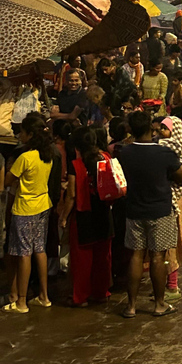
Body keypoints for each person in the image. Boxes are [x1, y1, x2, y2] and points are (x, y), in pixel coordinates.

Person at [118, 111, 182, 318]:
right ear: (151, 128)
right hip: (160, 210)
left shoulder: (125, 152)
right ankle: (159, 304)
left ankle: (130, 306)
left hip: (134, 209)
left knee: (136, 255)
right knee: (158, 256)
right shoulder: (164, 153)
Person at [3, 115, 54, 314]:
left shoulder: (25, 157)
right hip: (43, 205)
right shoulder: (47, 154)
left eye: (22, 132)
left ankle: (22, 301)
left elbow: (8, 181)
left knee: (24, 253)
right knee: (39, 250)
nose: (19, 135)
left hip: (25, 208)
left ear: (30, 134)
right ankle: (44, 296)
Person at [58, 127, 114, 307]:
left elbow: (72, 194)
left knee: (82, 259)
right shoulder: (105, 158)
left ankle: (80, 297)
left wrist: (64, 216)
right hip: (105, 213)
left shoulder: (77, 165)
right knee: (103, 257)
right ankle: (101, 293)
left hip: (84, 216)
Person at [155, 117, 182, 302]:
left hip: (176, 200)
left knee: (171, 243)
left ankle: (172, 285)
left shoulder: (168, 150)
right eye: (161, 128)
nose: (161, 131)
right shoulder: (176, 150)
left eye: (165, 128)